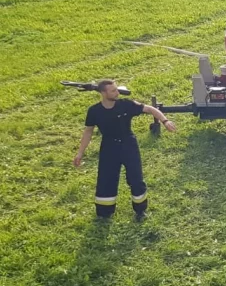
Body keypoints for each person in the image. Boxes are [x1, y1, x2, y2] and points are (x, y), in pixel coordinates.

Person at [73, 79, 177, 220]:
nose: (117, 93)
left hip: (129, 145)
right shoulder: (94, 111)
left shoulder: (126, 105)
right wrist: (80, 153)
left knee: (136, 178)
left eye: (116, 89)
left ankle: (140, 211)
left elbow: (150, 109)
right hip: (109, 147)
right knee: (106, 179)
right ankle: (104, 214)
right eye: (113, 91)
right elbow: (88, 132)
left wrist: (165, 121)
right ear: (103, 93)